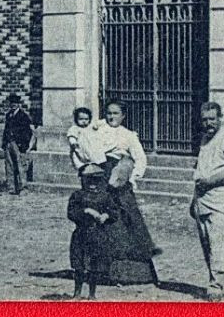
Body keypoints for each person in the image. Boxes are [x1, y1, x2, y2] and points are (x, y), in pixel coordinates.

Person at [93, 99, 159, 282]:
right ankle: (99, 270)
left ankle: (131, 272)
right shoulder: (97, 130)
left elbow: (140, 159)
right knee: (98, 218)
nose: (111, 117)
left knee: (126, 218)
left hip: (119, 178)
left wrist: (130, 177)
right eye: (109, 113)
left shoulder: (128, 135)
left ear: (123, 116)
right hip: (100, 177)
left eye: (115, 113)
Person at [191, 100, 224, 301]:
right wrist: (193, 199)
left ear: (220, 118)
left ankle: (216, 286)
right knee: (207, 245)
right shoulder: (204, 139)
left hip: (222, 200)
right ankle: (212, 280)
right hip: (203, 200)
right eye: (204, 120)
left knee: (219, 244)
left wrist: (210, 182)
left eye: (212, 119)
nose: (208, 123)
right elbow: (201, 170)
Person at [65, 164, 118, 299]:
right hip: (81, 234)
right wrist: (86, 211)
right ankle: (77, 293)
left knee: (94, 265)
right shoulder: (77, 196)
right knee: (79, 265)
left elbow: (114, 213)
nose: (92, 184)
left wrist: (106, 215)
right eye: (88, 180)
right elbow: (71, 213)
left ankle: (92, 294)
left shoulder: (105, 197)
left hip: (97, 234)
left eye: (95, 181)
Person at [1, 93, 35, 195]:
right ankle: (11, 187)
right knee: (9, 166)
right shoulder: (8, 115)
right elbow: (6, 129)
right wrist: (4, 142)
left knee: (21, 166)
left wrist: (23, 145)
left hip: (19, 144)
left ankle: (23, 188)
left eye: (15, 103)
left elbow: (27, 132)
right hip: (9, 143)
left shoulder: (23, 116)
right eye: (11, 103)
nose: (13, 105)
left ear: (19, 104)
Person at [66, 105, 109, 177]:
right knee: (83, 166)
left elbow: (102, 122)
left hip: (91, 149)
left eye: (86, 119)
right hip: (81, 150)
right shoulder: (75, 128)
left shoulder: (90, 127)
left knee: (96, 162)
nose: (84, 121)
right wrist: (73, 142)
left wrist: (97, 126)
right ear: (76, 119)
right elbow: (71, 136)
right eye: (81, 119)